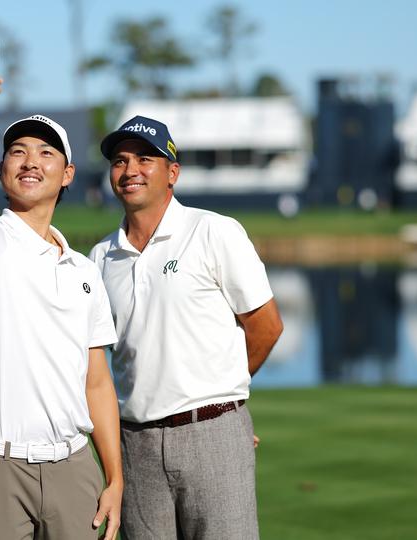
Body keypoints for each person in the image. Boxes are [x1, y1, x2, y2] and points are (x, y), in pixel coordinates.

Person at [0, 61, 123, 540]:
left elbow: (98, 384)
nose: (29, 161)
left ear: (67, 175)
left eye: (45, 153)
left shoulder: (84, 272)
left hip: (74, 467)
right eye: (17, 151)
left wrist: (116, 478)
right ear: (1, 170)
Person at [89, 115, 284, 540]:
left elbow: (266, 326)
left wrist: (223, 398)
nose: (130, 170)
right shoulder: (101, 256)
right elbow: (97, 362)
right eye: (120, 162)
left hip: (211, 435)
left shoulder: (214, 231)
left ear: (172, 172)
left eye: (145, 159)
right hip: (134, 446)